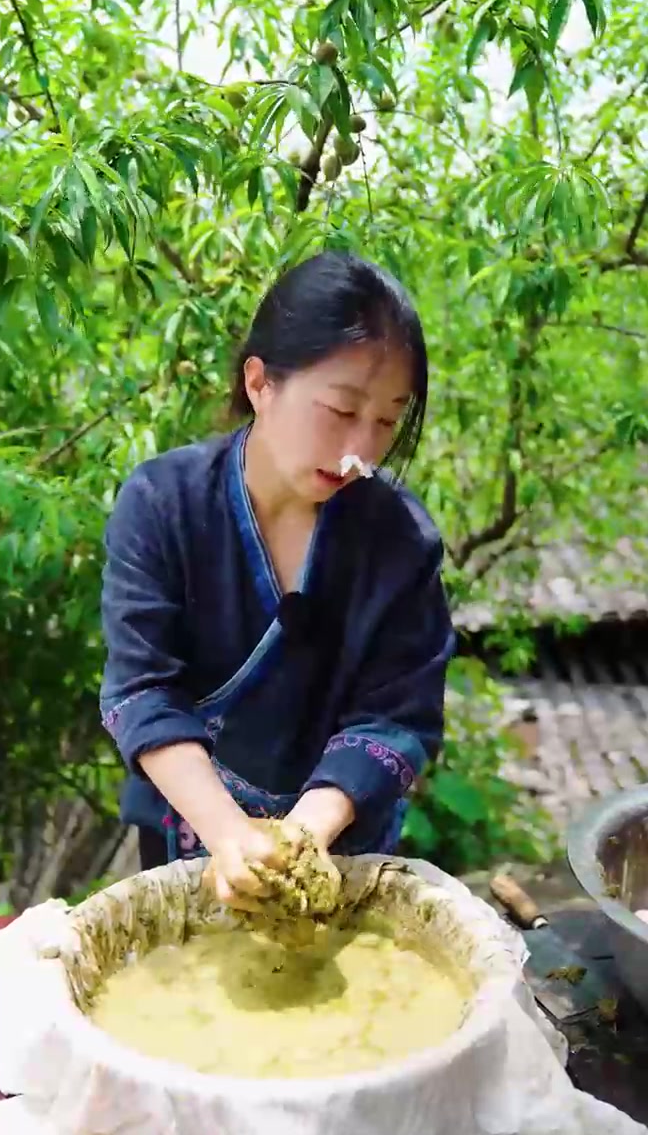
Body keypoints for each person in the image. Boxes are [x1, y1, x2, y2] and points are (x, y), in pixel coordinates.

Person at [100, 249, 455, 911]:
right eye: (341, 409)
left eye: (386, 420)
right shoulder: (161, 504)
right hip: (188, 835)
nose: (363, 449)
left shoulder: (401, 541)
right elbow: (144, 690)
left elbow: (398, 714)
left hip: (340, 849)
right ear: (260, 382)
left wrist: (300, 841)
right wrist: (230, 835)